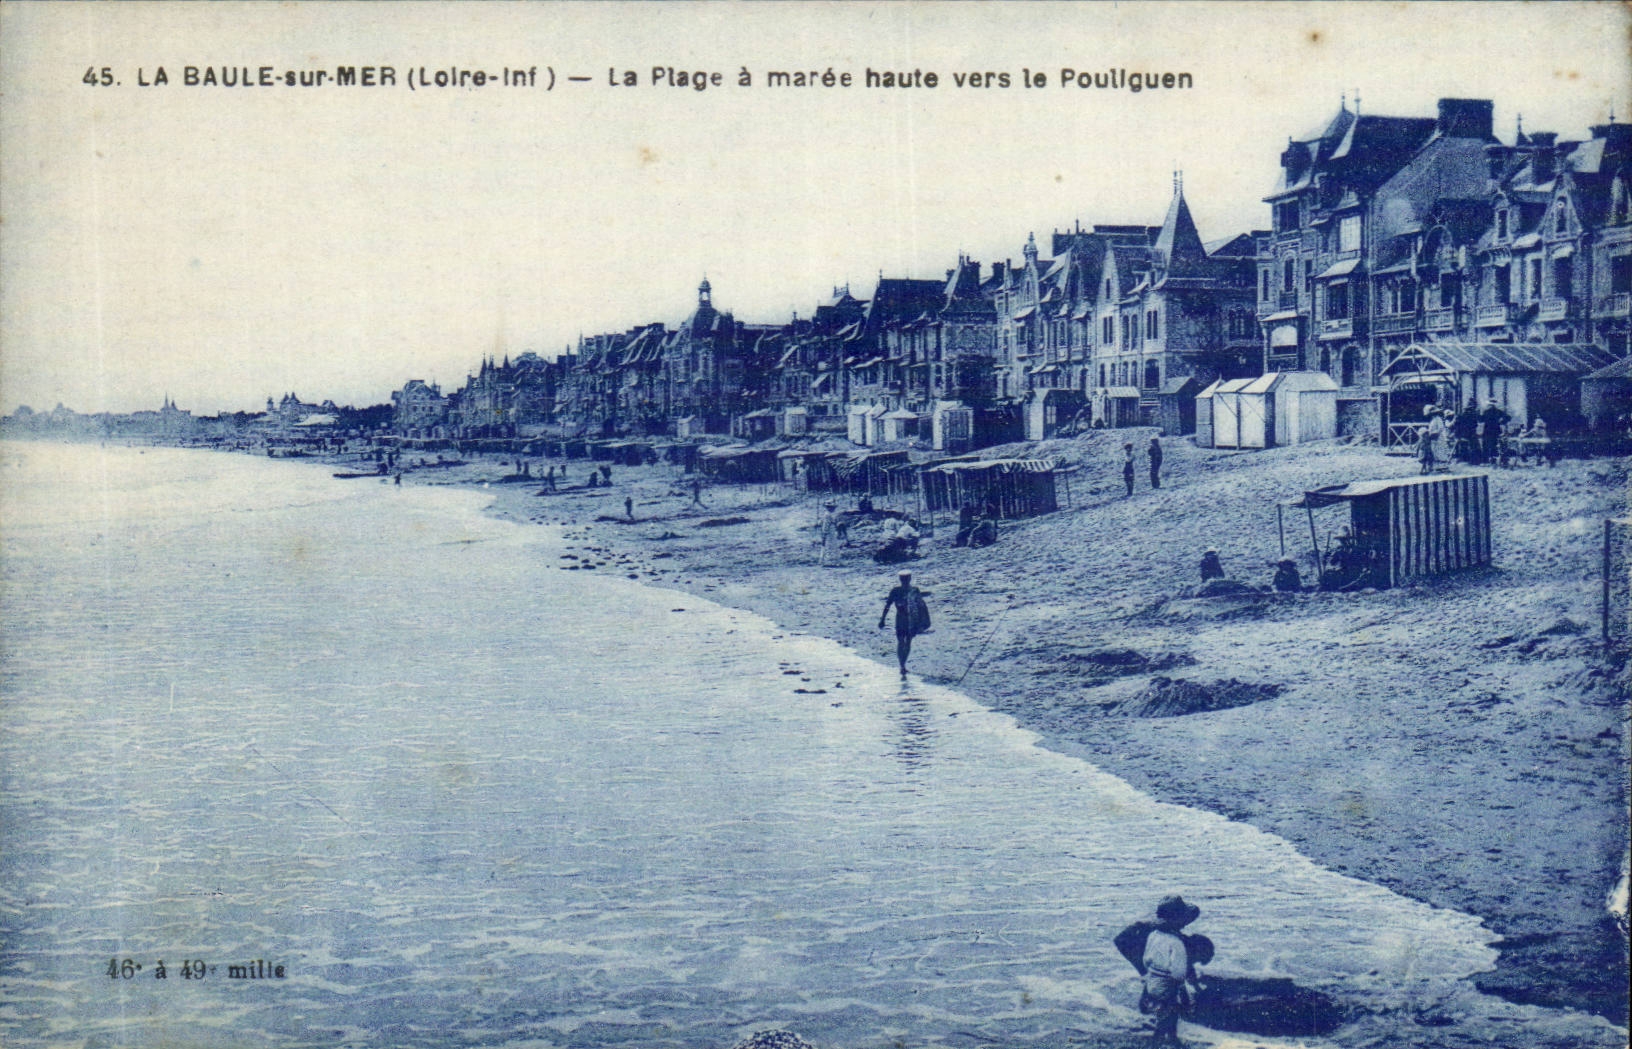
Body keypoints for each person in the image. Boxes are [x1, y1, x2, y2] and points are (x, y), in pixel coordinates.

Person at [877, 571, 929, 678]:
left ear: (909, 579)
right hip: (900, 619)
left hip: (911, 620)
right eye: (904, 579)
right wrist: (882, 619)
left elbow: (921, 607)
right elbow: (888, 605)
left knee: (907, 642)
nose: (905, 581)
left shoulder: (914, 590)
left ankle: (903, 664)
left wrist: (922, 623)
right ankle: (902, 665)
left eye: (906, 579)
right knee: (901, 641)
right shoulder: (896, 591)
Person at [1479, 400, 1509, 465]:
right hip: (1496, 430)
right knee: (1494, 444)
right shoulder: (1499, 412)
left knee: (1486, 444)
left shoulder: (1486, 412)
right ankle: (1493, 458)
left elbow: (1481, 420)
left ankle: (1486, 459)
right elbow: (1508, 417)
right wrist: (1502, 422)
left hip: (1487, 430)